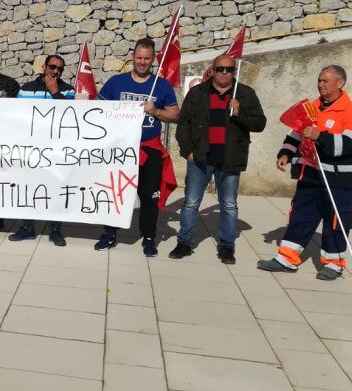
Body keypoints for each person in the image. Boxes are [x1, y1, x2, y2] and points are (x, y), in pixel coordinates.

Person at [258, 65, 352, 280]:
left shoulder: (351, 111)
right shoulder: (310, 108)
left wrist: (320, 137)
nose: (321, 85)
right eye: (319, 80)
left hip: (336, 180)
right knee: (300, 216)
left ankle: (333, 264)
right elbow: (295, 135)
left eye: (326, 81)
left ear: (340, 83)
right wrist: (285, 154)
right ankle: (287, 259)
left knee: (335, 221)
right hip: (308, 175)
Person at [172, 53, 267, 264]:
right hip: (200, 158)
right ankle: (184, 242)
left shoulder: (244, 93)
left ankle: (226, 246)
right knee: (190, 203)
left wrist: (239, 112)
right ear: (212, 70)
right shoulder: (197, 93)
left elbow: (260, 123)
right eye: (220, 69)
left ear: (234, 71)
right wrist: (187, 150)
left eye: (229, 69)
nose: (224, 73)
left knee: (229, 205)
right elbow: (183, 124)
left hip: (230, 158)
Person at [96, 37, 179, 256]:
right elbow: (98, 109)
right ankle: (109, 233)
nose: (142, 62)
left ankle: (149, 237)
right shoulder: (116, 82)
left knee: (149, 196)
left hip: (149, 148)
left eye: (147, 59)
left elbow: (176, 114)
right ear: (133, 57)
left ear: (153, 60)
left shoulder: (161, 85)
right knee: (115, 192)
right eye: (138, 58)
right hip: (120, 149)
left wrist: (156, 112)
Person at [10, 54, 73, 246]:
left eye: (60, 69)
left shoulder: (68, 90)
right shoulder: (26, 88)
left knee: (56, 190)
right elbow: (16, 116)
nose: (56, 71)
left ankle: (55, 230)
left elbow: (70, 117)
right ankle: (28, 228)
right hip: (31, 150)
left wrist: (55, 92)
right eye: (52, 66)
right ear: (44, 67)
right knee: (28, 189)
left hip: (56, 151)